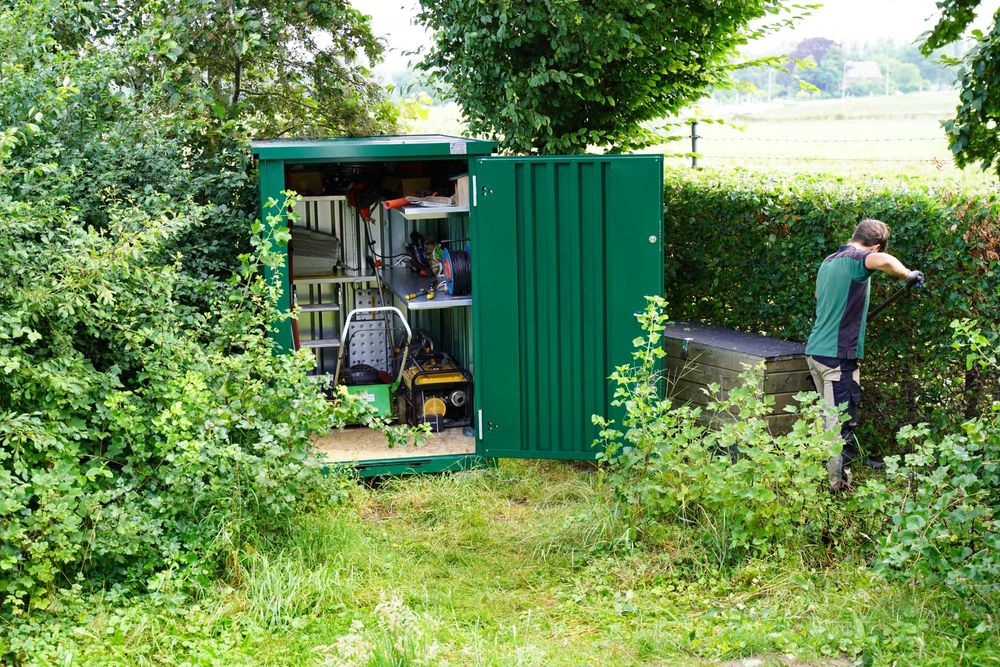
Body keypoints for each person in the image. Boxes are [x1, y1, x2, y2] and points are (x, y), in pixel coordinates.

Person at [804, 219, 924, 492]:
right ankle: (838, 491)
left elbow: (819, 298)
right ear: (876, 244)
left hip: (815, 352)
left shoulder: (828, 262)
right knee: (840, 427)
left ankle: (817, 482)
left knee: (825, 421)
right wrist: (908, 275)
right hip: (837, 358)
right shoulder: (860, 258)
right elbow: (882, 261)